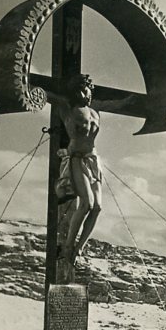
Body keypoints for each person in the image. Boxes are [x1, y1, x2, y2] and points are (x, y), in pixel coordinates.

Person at [49, 73, 102, 264]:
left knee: (97, 207)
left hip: (93, 159)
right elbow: (50, 96)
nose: (83, 94)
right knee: (86, 203)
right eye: (79, 90)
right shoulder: (67, 109)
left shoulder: (95, 112)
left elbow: (116, 104)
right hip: (76, 158)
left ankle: (79, 248)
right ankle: (68, 245)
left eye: (86, 90)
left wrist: (128, 101)